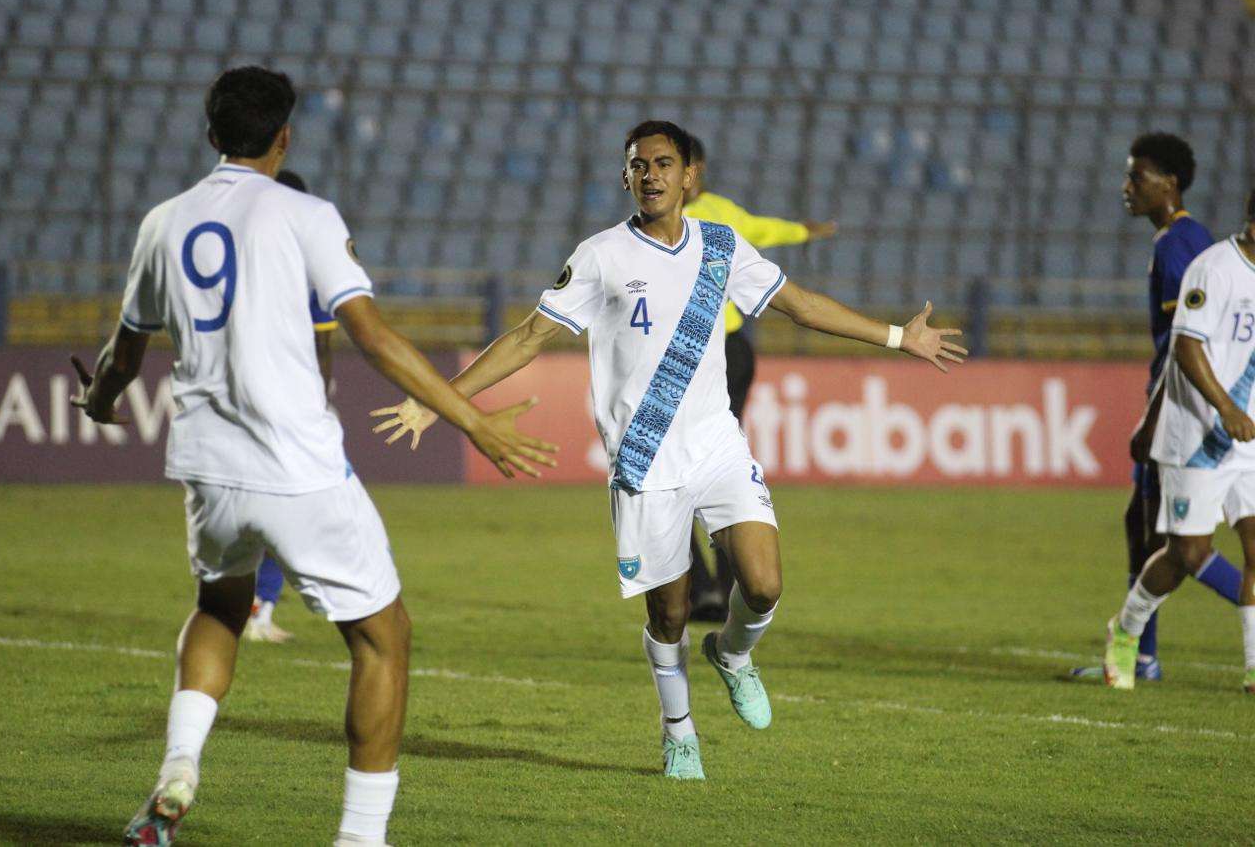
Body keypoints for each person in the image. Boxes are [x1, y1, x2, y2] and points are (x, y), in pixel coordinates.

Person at [370, 120, 965, 779]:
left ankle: (734, 654)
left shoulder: (721, 245)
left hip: (715, 444)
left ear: (689, 177)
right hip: (644, 458)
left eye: (662, 163)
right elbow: (528, 336)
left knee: (763, 583)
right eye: (637, 165)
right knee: (671, 610)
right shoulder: (600, 256)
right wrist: (436, 397)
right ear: (625, 178)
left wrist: (894, 336)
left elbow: (797, 303)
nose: (650, 174)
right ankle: (678, 729)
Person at [69, 66, 556, 846]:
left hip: (206, 466)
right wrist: (472, 419)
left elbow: (125, 355)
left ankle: (176, 771)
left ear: (210, 133)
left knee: (218, 606)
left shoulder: (163, 221)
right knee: (383, 636)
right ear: (284, 135)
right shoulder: (305, 214)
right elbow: (373, 335)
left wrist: (97, 401)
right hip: (296, 465)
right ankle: (361, 838)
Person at [1072, 133, 1242, 681]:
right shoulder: (1193, 240)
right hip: (1201, 409)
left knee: (1173, 543)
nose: (1127, 188)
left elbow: (1183, 344)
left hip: (1185, 414)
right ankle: (1141, 654)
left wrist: (1153, 419)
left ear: (1169, 181)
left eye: (1137, 177)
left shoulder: (1178, 247)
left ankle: (1139, 652)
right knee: (1146, 529)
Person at [681, 132, 838, 621]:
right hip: (683, 354)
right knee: (674, 470)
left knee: (706, 465)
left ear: (695, 171)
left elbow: (765, 230)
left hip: (722, 354)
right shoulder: (649, 226)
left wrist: (802, 233)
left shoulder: (719, 214)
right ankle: (707, 586)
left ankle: (719, 585)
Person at [1103, 189, 1255, 692]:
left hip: (1248, 438)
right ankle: (1125, 631)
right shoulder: (1213, 270)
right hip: (1197, 434)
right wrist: (1227, 408)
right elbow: (1186, 349)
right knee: (1187, 555)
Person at [243, 169, 335, 644]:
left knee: (250, 513)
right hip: (287, 410)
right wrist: (315, 408)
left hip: (236, 405)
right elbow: (322, 349)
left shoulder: (235, 256)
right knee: (289, 512)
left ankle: (249, 608)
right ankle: (257, 609)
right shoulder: (307, 266)